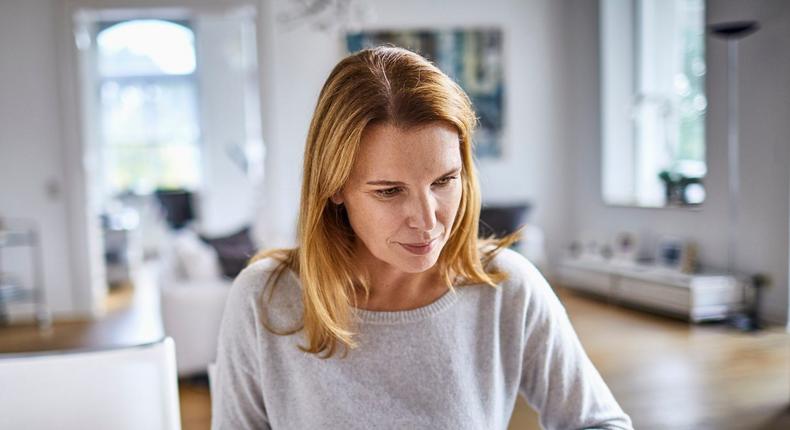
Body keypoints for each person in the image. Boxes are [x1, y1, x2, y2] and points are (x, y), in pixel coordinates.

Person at [211, 46, 633, 430]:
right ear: (334, 186)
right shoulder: (263, 298)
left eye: (445, 180)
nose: (428, 220)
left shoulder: (507, 288)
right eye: (389, 191)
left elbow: (600, 423)